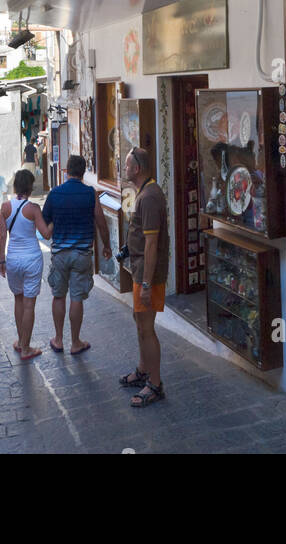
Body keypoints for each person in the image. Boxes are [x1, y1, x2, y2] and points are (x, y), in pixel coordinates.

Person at [42, 154, 110, 355]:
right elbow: (101, 221)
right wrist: (106, 245)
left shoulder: (55, 193)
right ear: (83, 172)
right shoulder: (90, 193)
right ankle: (76, 342)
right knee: (77, 298)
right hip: (82, 253)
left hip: (60, 253)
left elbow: (45, 221)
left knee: (58, 296)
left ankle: (59, 339)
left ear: (66, 170)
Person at [119, 146, 169, 406]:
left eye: (127, 166)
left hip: (147, 275)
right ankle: (142, 369)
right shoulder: (145, 192)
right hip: (140, 271)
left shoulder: (149, 197)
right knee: (139, 321)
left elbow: (152, 243)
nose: (125, 169)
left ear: (136, 169)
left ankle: (155, 383)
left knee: (147, 328)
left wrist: (147, 283)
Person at [0, 168, 51, 361]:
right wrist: (54, 220)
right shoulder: (33, 209)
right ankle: (26, 347)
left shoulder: (5, 207)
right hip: (32, 259)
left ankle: (21, 342)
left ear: (15, 186)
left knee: (18, 300)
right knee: (29, 305)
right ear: (29, 188)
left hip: (12, 258)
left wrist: (1, 260)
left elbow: (2, 235)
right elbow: (46, 234)